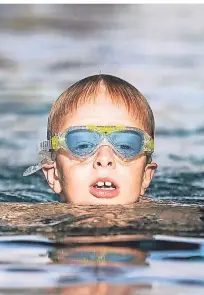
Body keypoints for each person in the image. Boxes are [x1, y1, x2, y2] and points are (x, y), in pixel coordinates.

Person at [23, 74, 158, 205]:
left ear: (146, 176)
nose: (104, 159)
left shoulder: (165, 217)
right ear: (54, 176)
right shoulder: (28, 217)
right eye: (82, 145)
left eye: (125, 146)